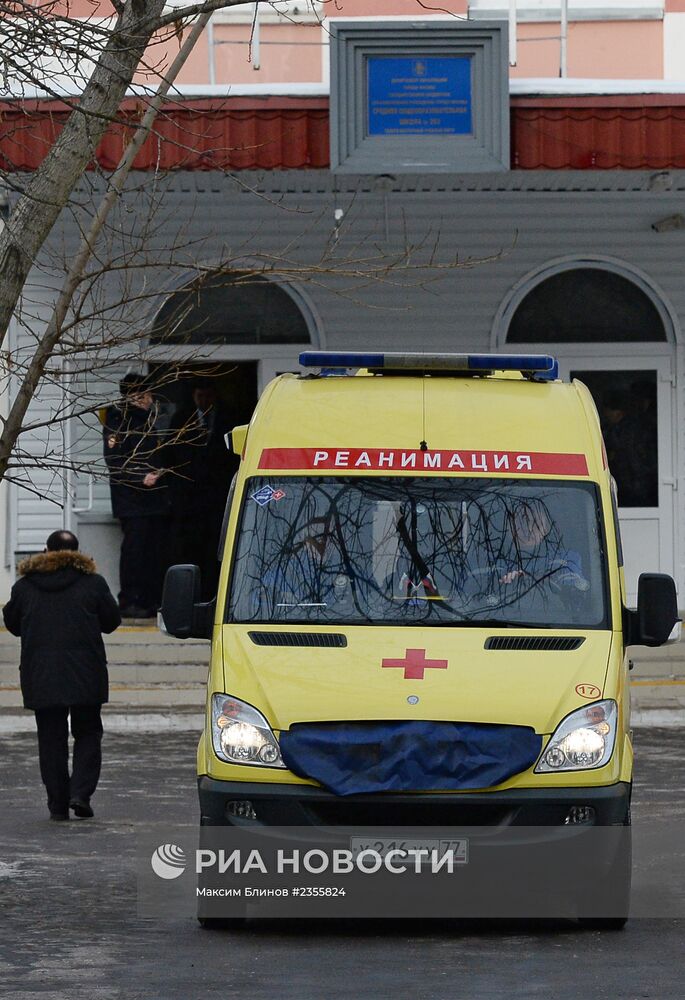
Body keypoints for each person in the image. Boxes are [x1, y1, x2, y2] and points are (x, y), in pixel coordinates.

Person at [2, 530, 121, 821]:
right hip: (86, 674)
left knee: (51, 740)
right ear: (77, 552)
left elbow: (13, 624)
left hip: (42, 675)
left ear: (46, 551)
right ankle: (80, 794)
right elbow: (111, 622)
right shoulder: (93, 584)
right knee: (88, 733)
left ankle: (57, 804)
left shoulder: (25, 587)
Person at [103, 372, 170, 617]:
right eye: (140, 395)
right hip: (131, 499)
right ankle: (130, 600)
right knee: (134, 552)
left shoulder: (155, 417)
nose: (145, 399)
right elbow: (115, 460)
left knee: (154, 552)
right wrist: (140, 477)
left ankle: (151, 600)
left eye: (147, 394)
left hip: (156, 499)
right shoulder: (118, 419)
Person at [167, 380, 237, 599]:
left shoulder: (228, 419)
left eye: (207, 396)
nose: (204, 401)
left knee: (216, 547)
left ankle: (213, 592)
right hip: (189, 499)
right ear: (193, 396)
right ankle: (190, 595)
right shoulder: (181, 419)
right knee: (189, 548)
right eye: (199, 396)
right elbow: (171, 455)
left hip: (217, 497)